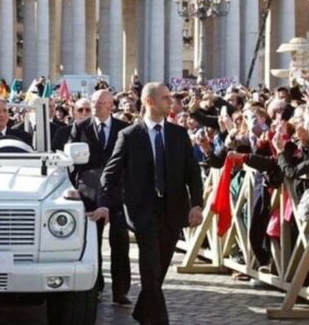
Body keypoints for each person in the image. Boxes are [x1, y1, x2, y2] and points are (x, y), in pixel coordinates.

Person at [89, 82, 204, 325]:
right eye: (165, 98)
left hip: (172, 211)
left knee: (159, 270)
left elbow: (192, 173)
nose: (170, 101)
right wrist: (115, 204)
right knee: (150, 269)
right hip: (143, 213)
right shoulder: (130, 135)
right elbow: (108, 176)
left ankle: (142, 311)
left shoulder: (179, 134)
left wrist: (196, 204)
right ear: (150, 102)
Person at [55, 90, 131, 304]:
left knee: (120, 243)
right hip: (88, 192)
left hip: (116, 193)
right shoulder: (80, 127)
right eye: (94, 103)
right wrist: (73, 187)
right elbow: (69, 161)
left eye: (101, 103)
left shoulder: (123, 129)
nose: (96, 107)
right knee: (91, 243)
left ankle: (121, 290)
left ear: (111, 106)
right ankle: (95, 286)